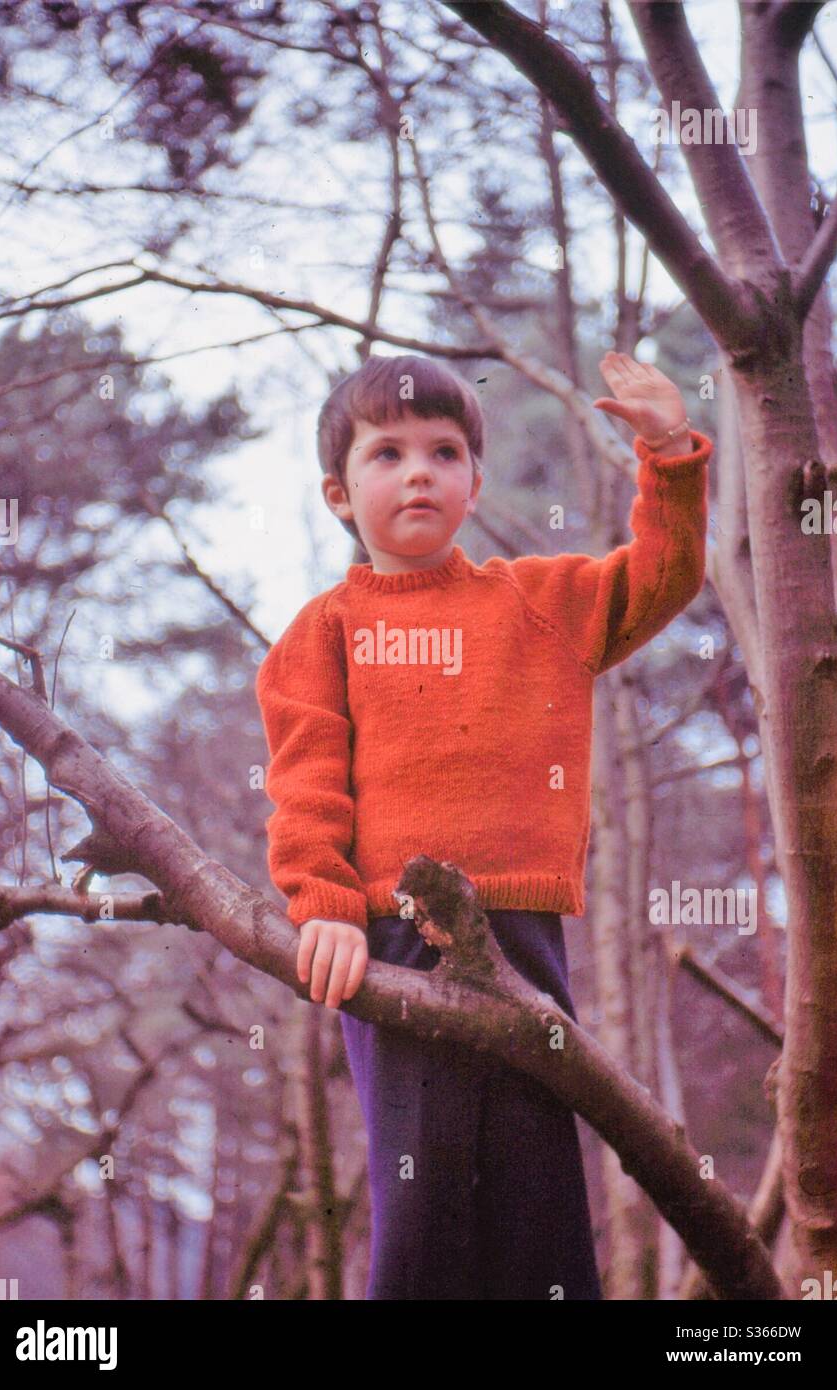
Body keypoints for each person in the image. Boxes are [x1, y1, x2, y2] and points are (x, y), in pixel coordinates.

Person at [255, 351, 712, 1299]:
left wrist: (667, 451)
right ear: (340, 494)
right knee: (423, 1206)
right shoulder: (323, 632)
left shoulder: (536, 602)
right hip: (388, 944)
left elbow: (663, 576)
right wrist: (325, 906)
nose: (418, 470)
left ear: (474, 482)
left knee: (536, 1201)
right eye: (388, 454)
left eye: (444, 450)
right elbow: (305, 788)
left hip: (521, 935)